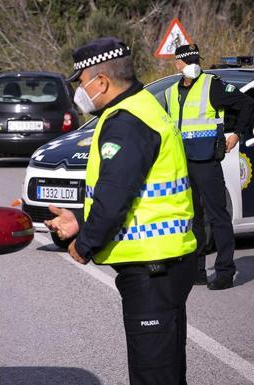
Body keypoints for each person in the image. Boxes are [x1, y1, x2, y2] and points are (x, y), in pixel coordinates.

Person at [45, 37, 197, 385]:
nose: (79, 91)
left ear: (101, 82)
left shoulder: (127, 122)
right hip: (165, 263)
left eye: (81, 82)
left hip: (152, 270)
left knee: (153, 376)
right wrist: (80, 221)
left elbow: (115, 196)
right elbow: (136, 193)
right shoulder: (142, 107)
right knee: (167, 371)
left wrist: (84, 245)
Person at [164, 44, 254, 290]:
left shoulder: (212, 84)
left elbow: (246, 104)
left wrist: (237, 133)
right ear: (178, 63)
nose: (192, 63)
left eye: (194, 59)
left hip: (206, 161)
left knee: (217, 217)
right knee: (193, 218)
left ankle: (225, 272)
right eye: (187, 59)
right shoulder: (171, 92)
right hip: (182, 162)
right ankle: (197, 271)